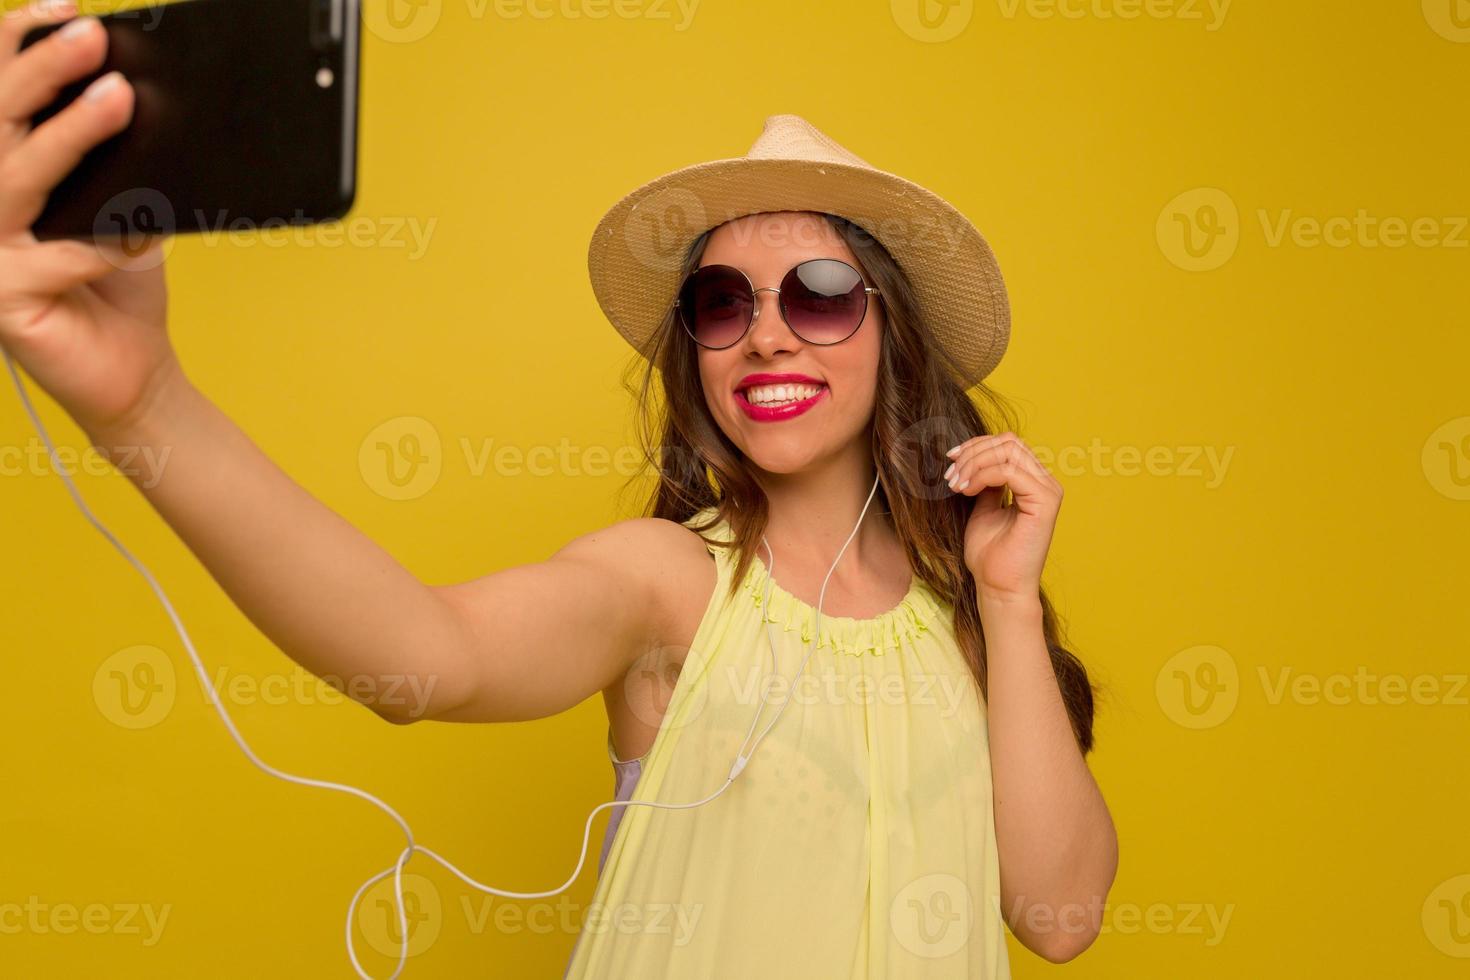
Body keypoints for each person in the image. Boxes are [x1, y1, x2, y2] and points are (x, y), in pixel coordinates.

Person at [0, 4, 1117, 976]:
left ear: (893, 334)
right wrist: (145, 406)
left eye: (820, 294)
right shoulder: (675, 583)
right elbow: (425, 654)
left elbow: (1060, 917)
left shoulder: (966, 627)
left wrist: (1010, 600)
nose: (768, 332)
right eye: (723, 303)